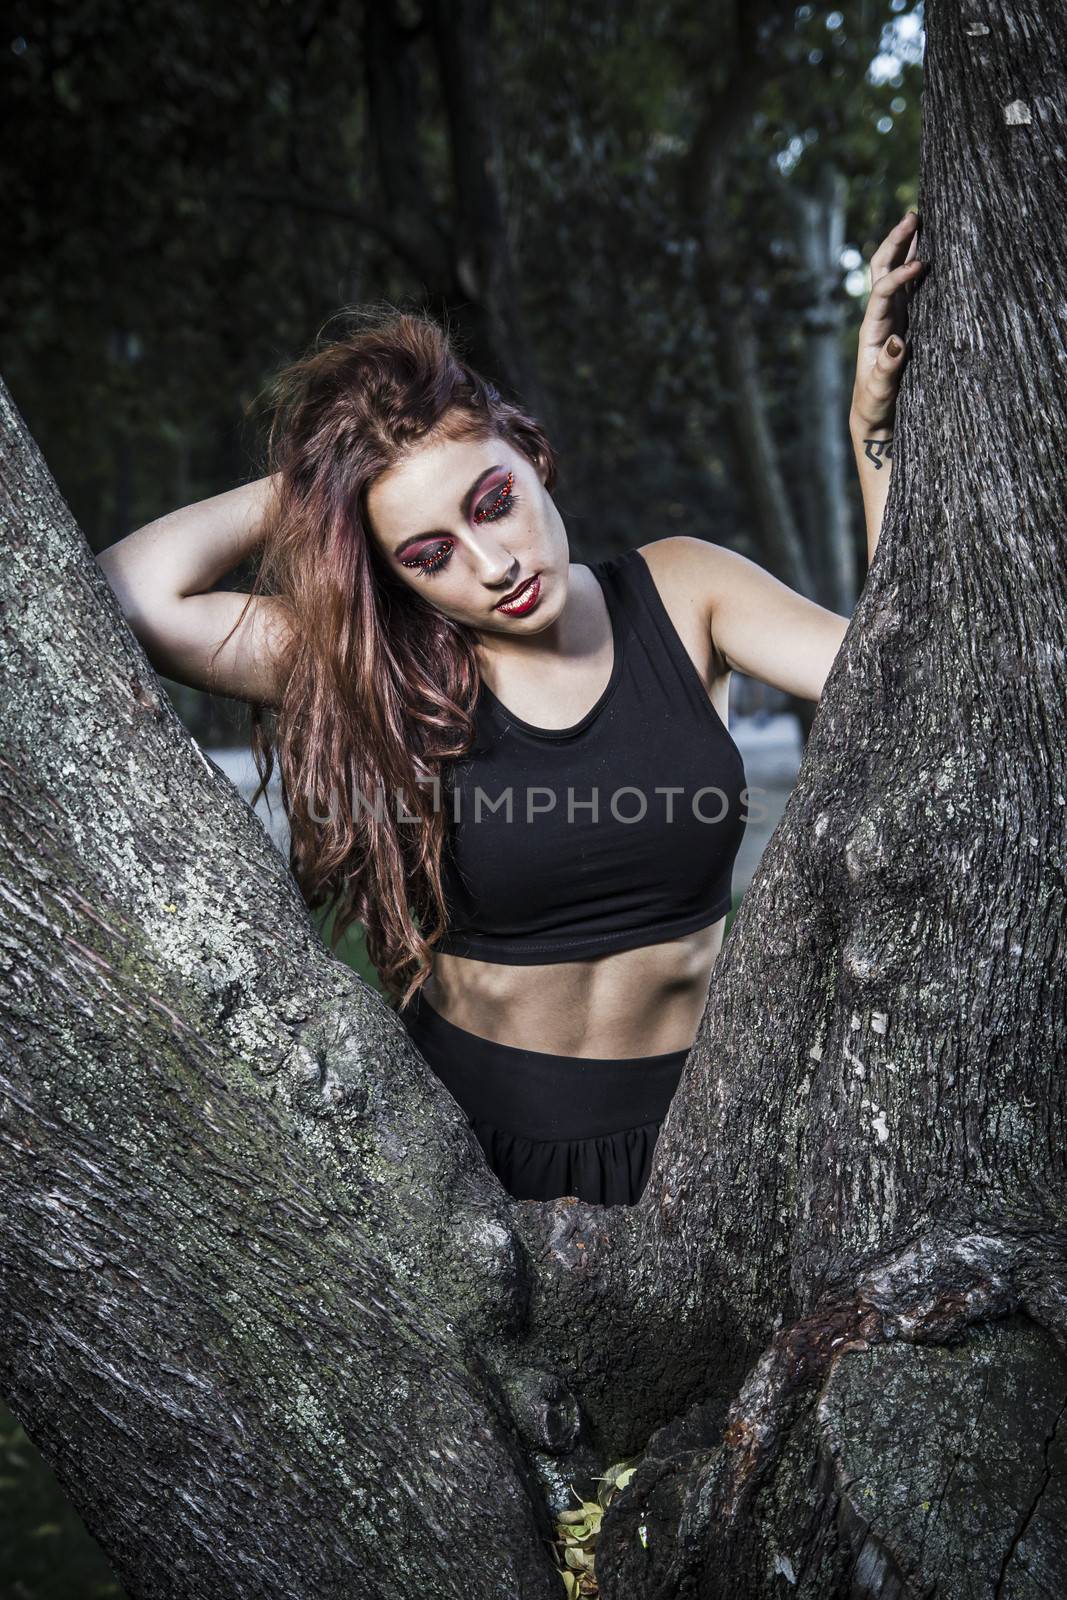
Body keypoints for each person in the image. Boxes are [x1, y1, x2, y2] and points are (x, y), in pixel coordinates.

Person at [98, 214, 925, 1208]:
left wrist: (868, 438)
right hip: (473, 1153)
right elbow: (133, 595)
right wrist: (319, 488)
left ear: (529, 450)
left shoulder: (684, 589)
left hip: (709, 1135)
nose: (490, 566)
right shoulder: (384, 662)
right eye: (429, 552)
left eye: (490, 500)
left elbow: (899, 683)